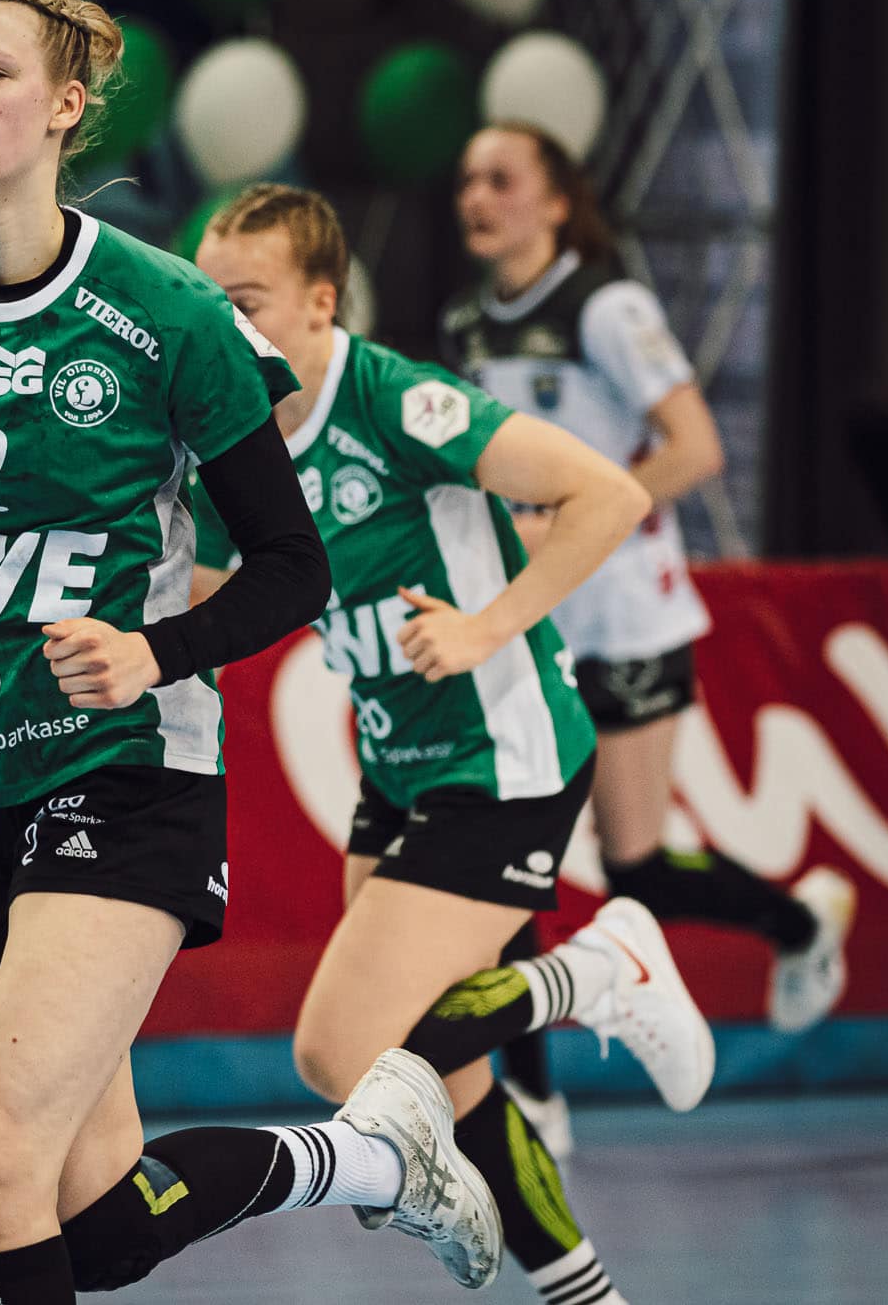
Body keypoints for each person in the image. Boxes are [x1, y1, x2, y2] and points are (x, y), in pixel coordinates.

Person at [0, 0, 511, 1302]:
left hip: (123, 768)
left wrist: (157, 650)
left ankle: (373, 1152)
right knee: (90, 1215)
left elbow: (292, 567)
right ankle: (369, 1157)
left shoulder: (166, 315)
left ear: (65, 105)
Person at [195, 183, 719, 1305]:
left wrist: (487, 624)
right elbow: (211, 590)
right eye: (208, 299)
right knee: (449, 1075)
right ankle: (586, 1292)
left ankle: (595, 970)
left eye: (246, 299)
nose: (222, 323)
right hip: (400, 765)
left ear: (320, 303)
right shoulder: (234, 437)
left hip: (502, 759)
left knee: (342, 1050)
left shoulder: (395, 401)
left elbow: (606, 494)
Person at [443, 122, 856, 1149]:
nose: (476, 197)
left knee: (633, 867)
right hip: (527, 618)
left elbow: (697, 447)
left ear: (555, 201)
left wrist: (577, 515)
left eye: (501, 179)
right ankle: (532, 1095)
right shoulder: (466, 323)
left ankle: (801, 923)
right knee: (506, 859)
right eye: (466, 180)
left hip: (626, 614)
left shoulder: (605, 307)